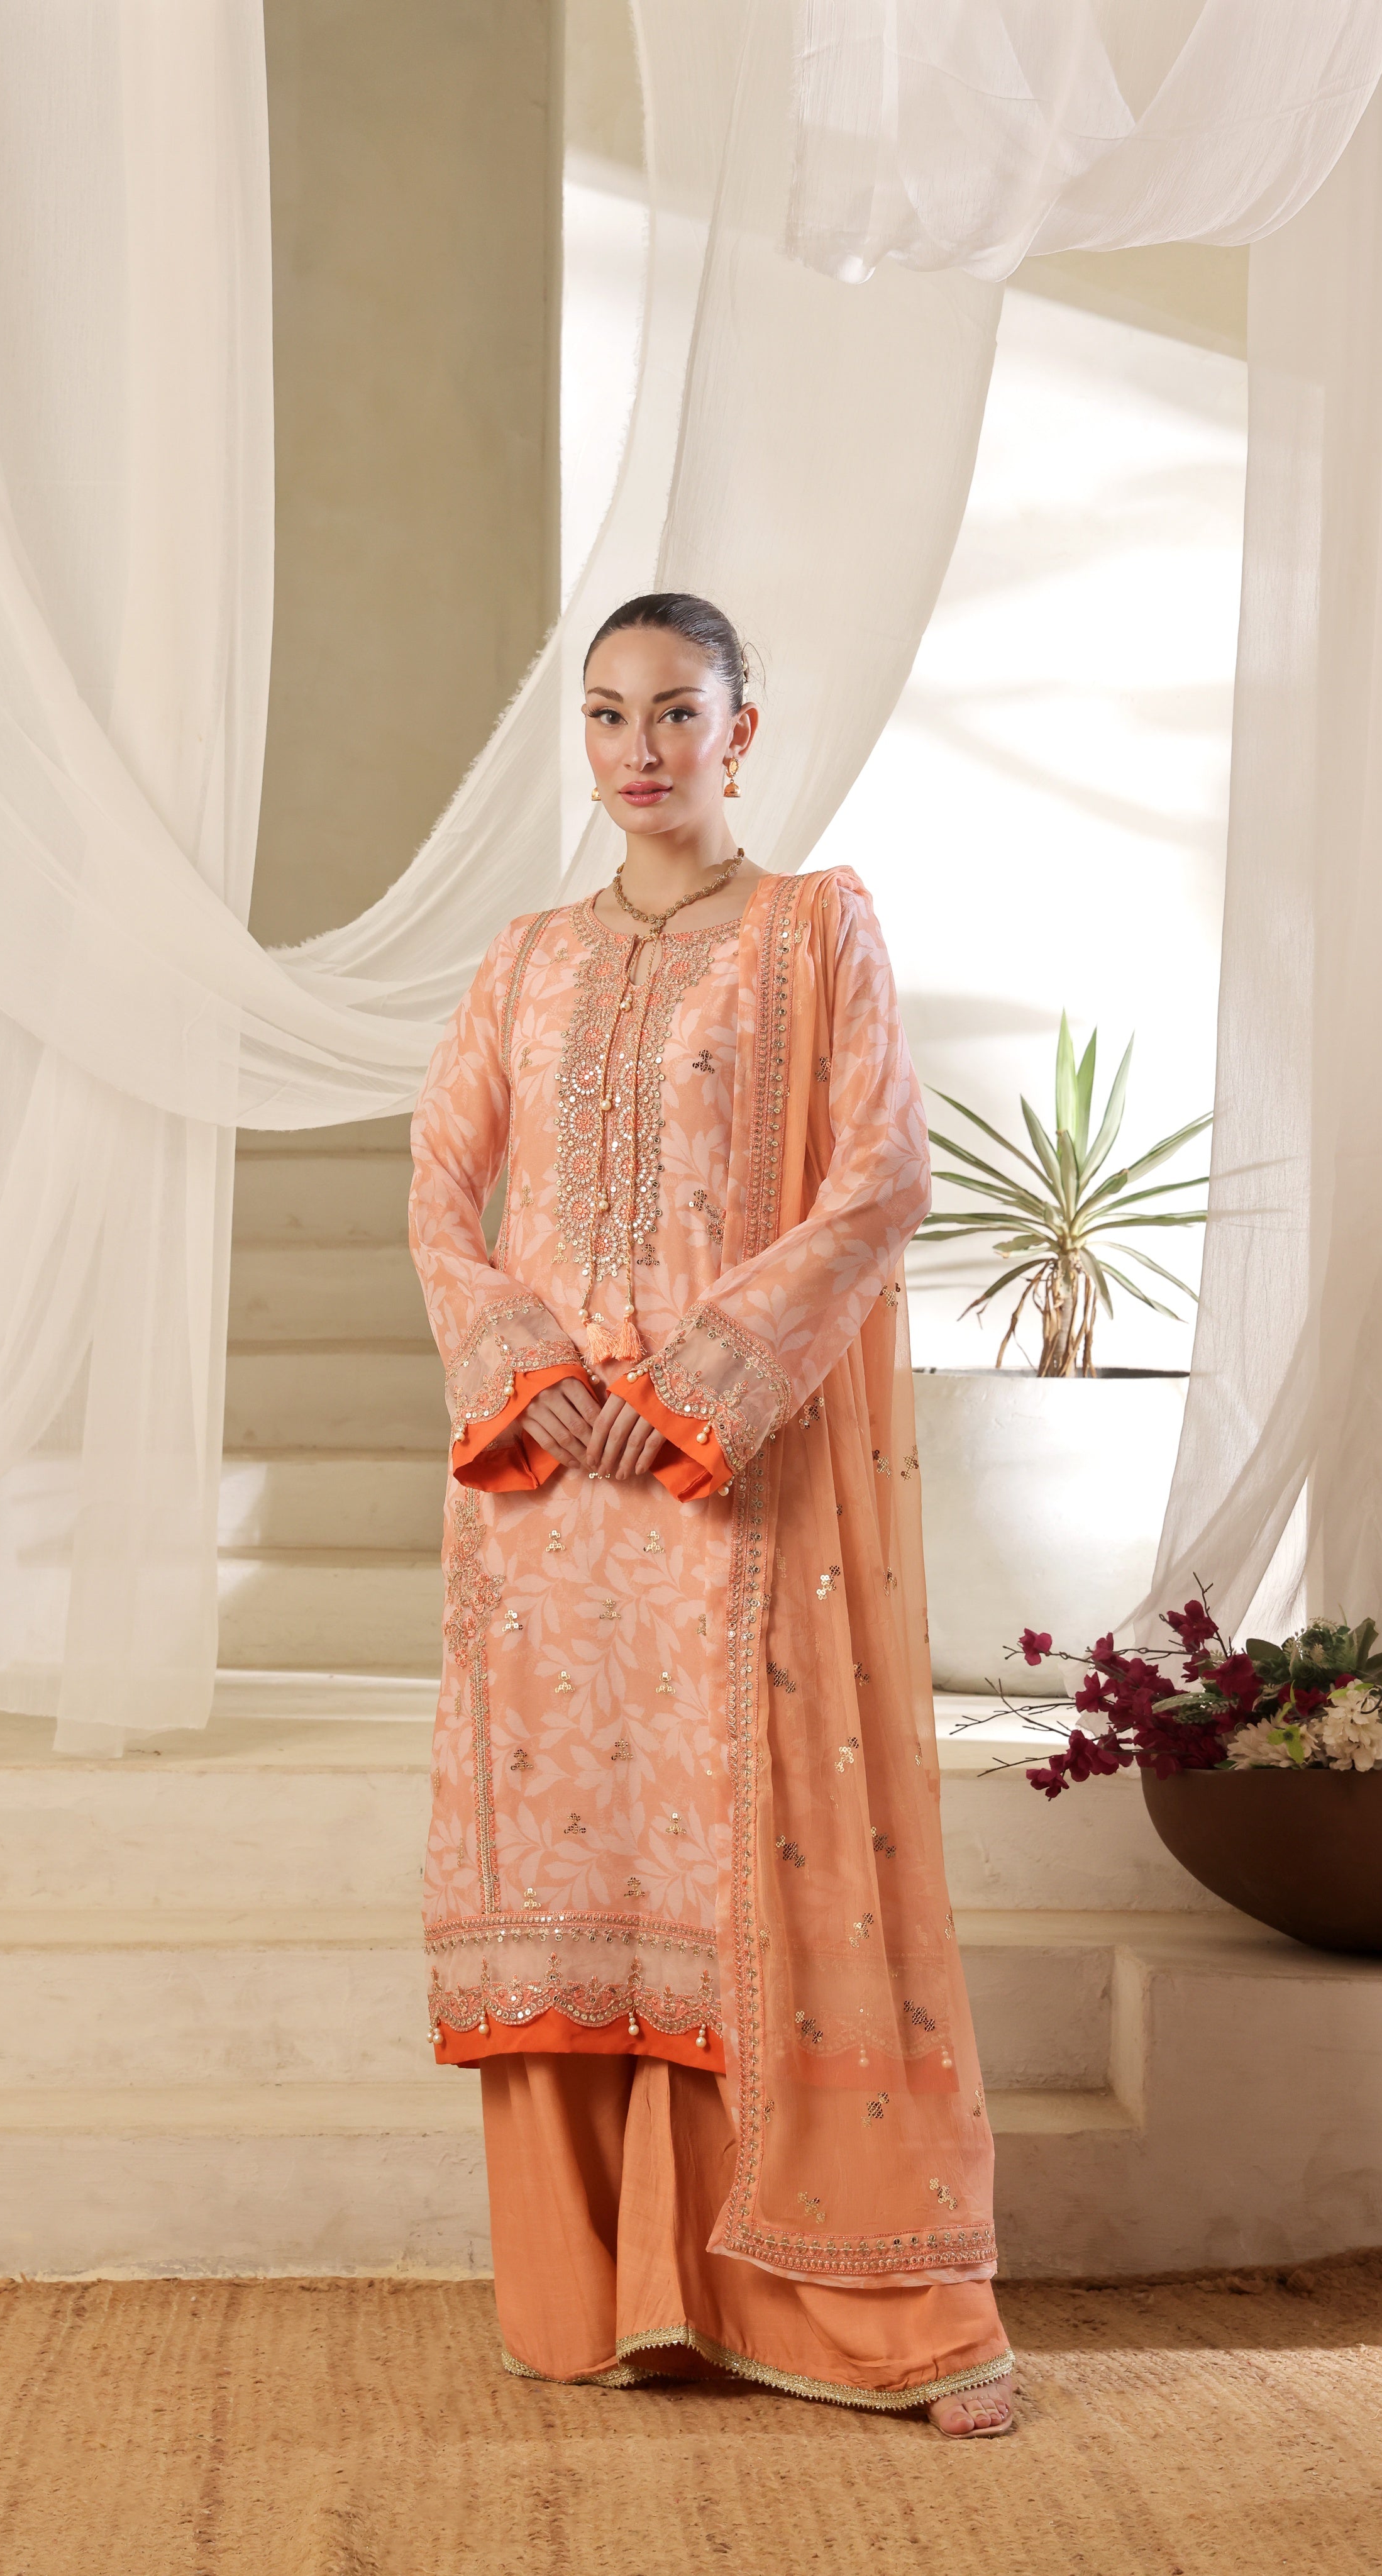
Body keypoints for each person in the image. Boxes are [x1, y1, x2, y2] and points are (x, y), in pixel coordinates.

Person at [409, 592, 1014, 2435]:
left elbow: (879, 1178)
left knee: (768, 1859)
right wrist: (525, 1369)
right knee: (583, 1865)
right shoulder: (525, 961)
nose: (640, 748)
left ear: (740, 731)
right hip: (548, 1497)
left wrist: (692, 1390)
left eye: (676, 711)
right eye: (607, 715)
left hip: (723, 1481)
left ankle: (875, 2310)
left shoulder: (812, 933)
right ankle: (612, 2294)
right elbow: (440, 1188)